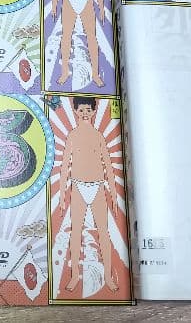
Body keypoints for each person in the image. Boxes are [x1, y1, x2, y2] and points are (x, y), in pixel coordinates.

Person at [59, 97, 118, 293]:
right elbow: (65, 165)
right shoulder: (72, 136)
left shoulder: (99, 136)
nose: (85, 113)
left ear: (94, 111)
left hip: (98, 187)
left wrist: (114, 194)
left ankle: (108, 276)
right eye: (81, 109)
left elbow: (108, 165)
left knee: (103, 232)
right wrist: (61, 195)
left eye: (88, 110)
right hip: (78, 187)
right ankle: (75, 275)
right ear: (75, 110)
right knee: (76, 231)